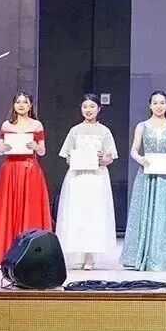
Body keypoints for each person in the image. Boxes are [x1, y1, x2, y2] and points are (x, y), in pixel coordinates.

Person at [120, 91, 166, 271]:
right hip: (147, 174)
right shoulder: (142, 126)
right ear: (150, 105)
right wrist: (140, 158)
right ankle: (140, 255)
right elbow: (134, 150)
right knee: (146, 212)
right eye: (155, 103)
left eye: (162, 103)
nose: (159, 106)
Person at [0, 91, 52, 264]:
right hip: (10, 169)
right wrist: (3, 148)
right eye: (18, 102)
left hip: (30, 169)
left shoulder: (36, 125)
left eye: (25, 102)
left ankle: (30, 253)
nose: (21, 105)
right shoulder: (7, 125)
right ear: (14, 105)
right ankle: (5, 252)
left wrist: (35, 146)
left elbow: (43, 151)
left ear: (30, 105)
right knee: (7, 208)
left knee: (30, 208)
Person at [55, 94, 117, 270]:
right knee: (77, 214)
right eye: (85, 107)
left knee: (93, 215)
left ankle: (90, 257)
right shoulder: (75, 130)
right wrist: (72, 159)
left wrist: (102, 160)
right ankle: (78, 254)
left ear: (99, 109)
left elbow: (110, 157)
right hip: (77, 177)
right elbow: (67, 155)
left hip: (96, 178)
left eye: (92, 106)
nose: (88, 110)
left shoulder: (104, 131)